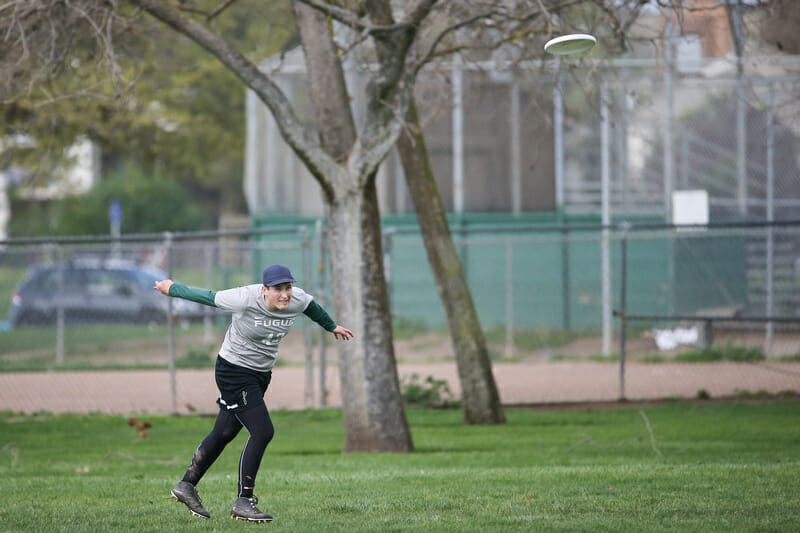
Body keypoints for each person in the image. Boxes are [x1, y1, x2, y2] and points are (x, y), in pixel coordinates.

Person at [154, 264, 353, 522]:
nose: (284, 294)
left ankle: (186, 485)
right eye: (278, 289)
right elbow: (207, 297)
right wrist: (172, 289)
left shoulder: (298, 298)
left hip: (260, 374)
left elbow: (312, 308)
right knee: (263, 431)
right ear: (264, 290)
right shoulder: (245, 298)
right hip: (234, 371)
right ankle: (244, 501)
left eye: (288, 287)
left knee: (225, 432)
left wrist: (331, 326)